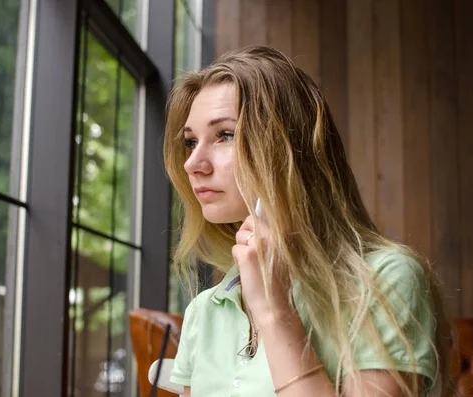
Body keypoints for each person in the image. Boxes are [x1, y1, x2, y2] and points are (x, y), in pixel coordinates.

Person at [162, 45, 452, 397]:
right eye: (190, 142)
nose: (192, 162)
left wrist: (275, 312)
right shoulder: (203, 312)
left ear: (289, 145)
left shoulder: (385, 279)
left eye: (225, 134)